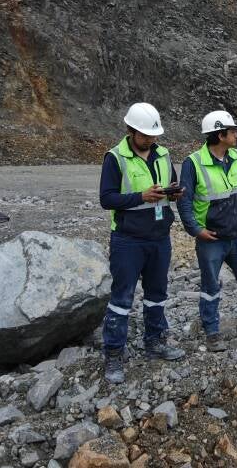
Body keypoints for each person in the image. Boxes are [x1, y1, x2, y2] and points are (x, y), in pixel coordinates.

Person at [99, 102, 186, 384]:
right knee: (122, 297)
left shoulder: (163, 154)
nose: (151, 139)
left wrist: (174, 194)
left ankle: (155, 342)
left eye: (154, 135)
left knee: (157, 293)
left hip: (159, 237)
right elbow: (107, 198)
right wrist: (141, 196)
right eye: (146, 135)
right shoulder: (116, 158)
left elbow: (171, 183)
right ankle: (113, 353)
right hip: (128, 240)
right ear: (131, 130)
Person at [177, 110, 237, 351]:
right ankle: (212, 333)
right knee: (210, 286)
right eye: (232, 131)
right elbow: (184, 201)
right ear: (220, 134)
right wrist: (195, 230)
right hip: (211, 239)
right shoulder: (193, 163)